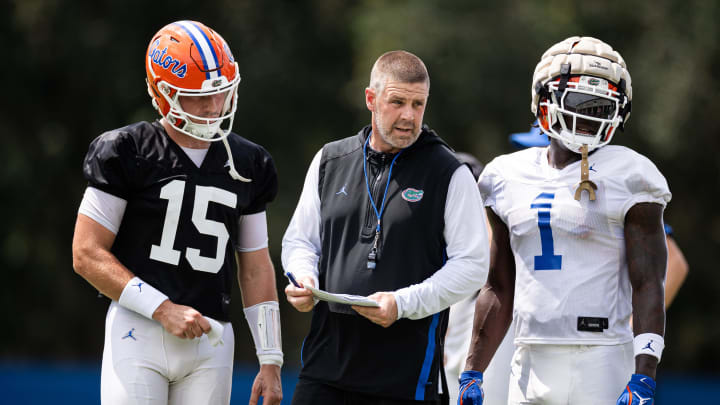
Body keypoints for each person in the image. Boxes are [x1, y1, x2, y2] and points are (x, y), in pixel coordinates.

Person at [71, 20, 282, 405]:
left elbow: (255, 266)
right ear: (163, 94)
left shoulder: (249, 162)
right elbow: (86, 254)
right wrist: (161, 308)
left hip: (211, 339)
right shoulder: (127, 150)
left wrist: (270, 359)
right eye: (198, 96)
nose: (213, 106)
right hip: (138, 330)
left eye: (220, 93)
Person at [458, 36, 671, 405]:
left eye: (601, 107)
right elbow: (498, 285)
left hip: (603, 355)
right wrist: (473, 370)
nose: (589, 116)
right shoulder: (505, 175)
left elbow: (649, 283)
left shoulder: (631, 173)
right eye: (579, 102)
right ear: (545, 100)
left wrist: (644, 374)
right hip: (529, 359)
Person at [282, 50, 490, 404]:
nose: (409, 116)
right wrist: (303, 278)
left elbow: (472, 266)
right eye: (397, 102)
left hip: (405, 380)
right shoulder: (330, 160)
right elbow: (300, 241)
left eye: (418, 104)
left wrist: (402, 303)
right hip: (324, 368)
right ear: (371, 99)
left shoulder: (449, 173)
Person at [447, 124, 689, 405]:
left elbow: (667, 264)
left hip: (599, 346)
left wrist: (634, 337)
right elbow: (498, 283)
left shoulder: (614, 180)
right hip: (531, 347)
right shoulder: (511, 178)